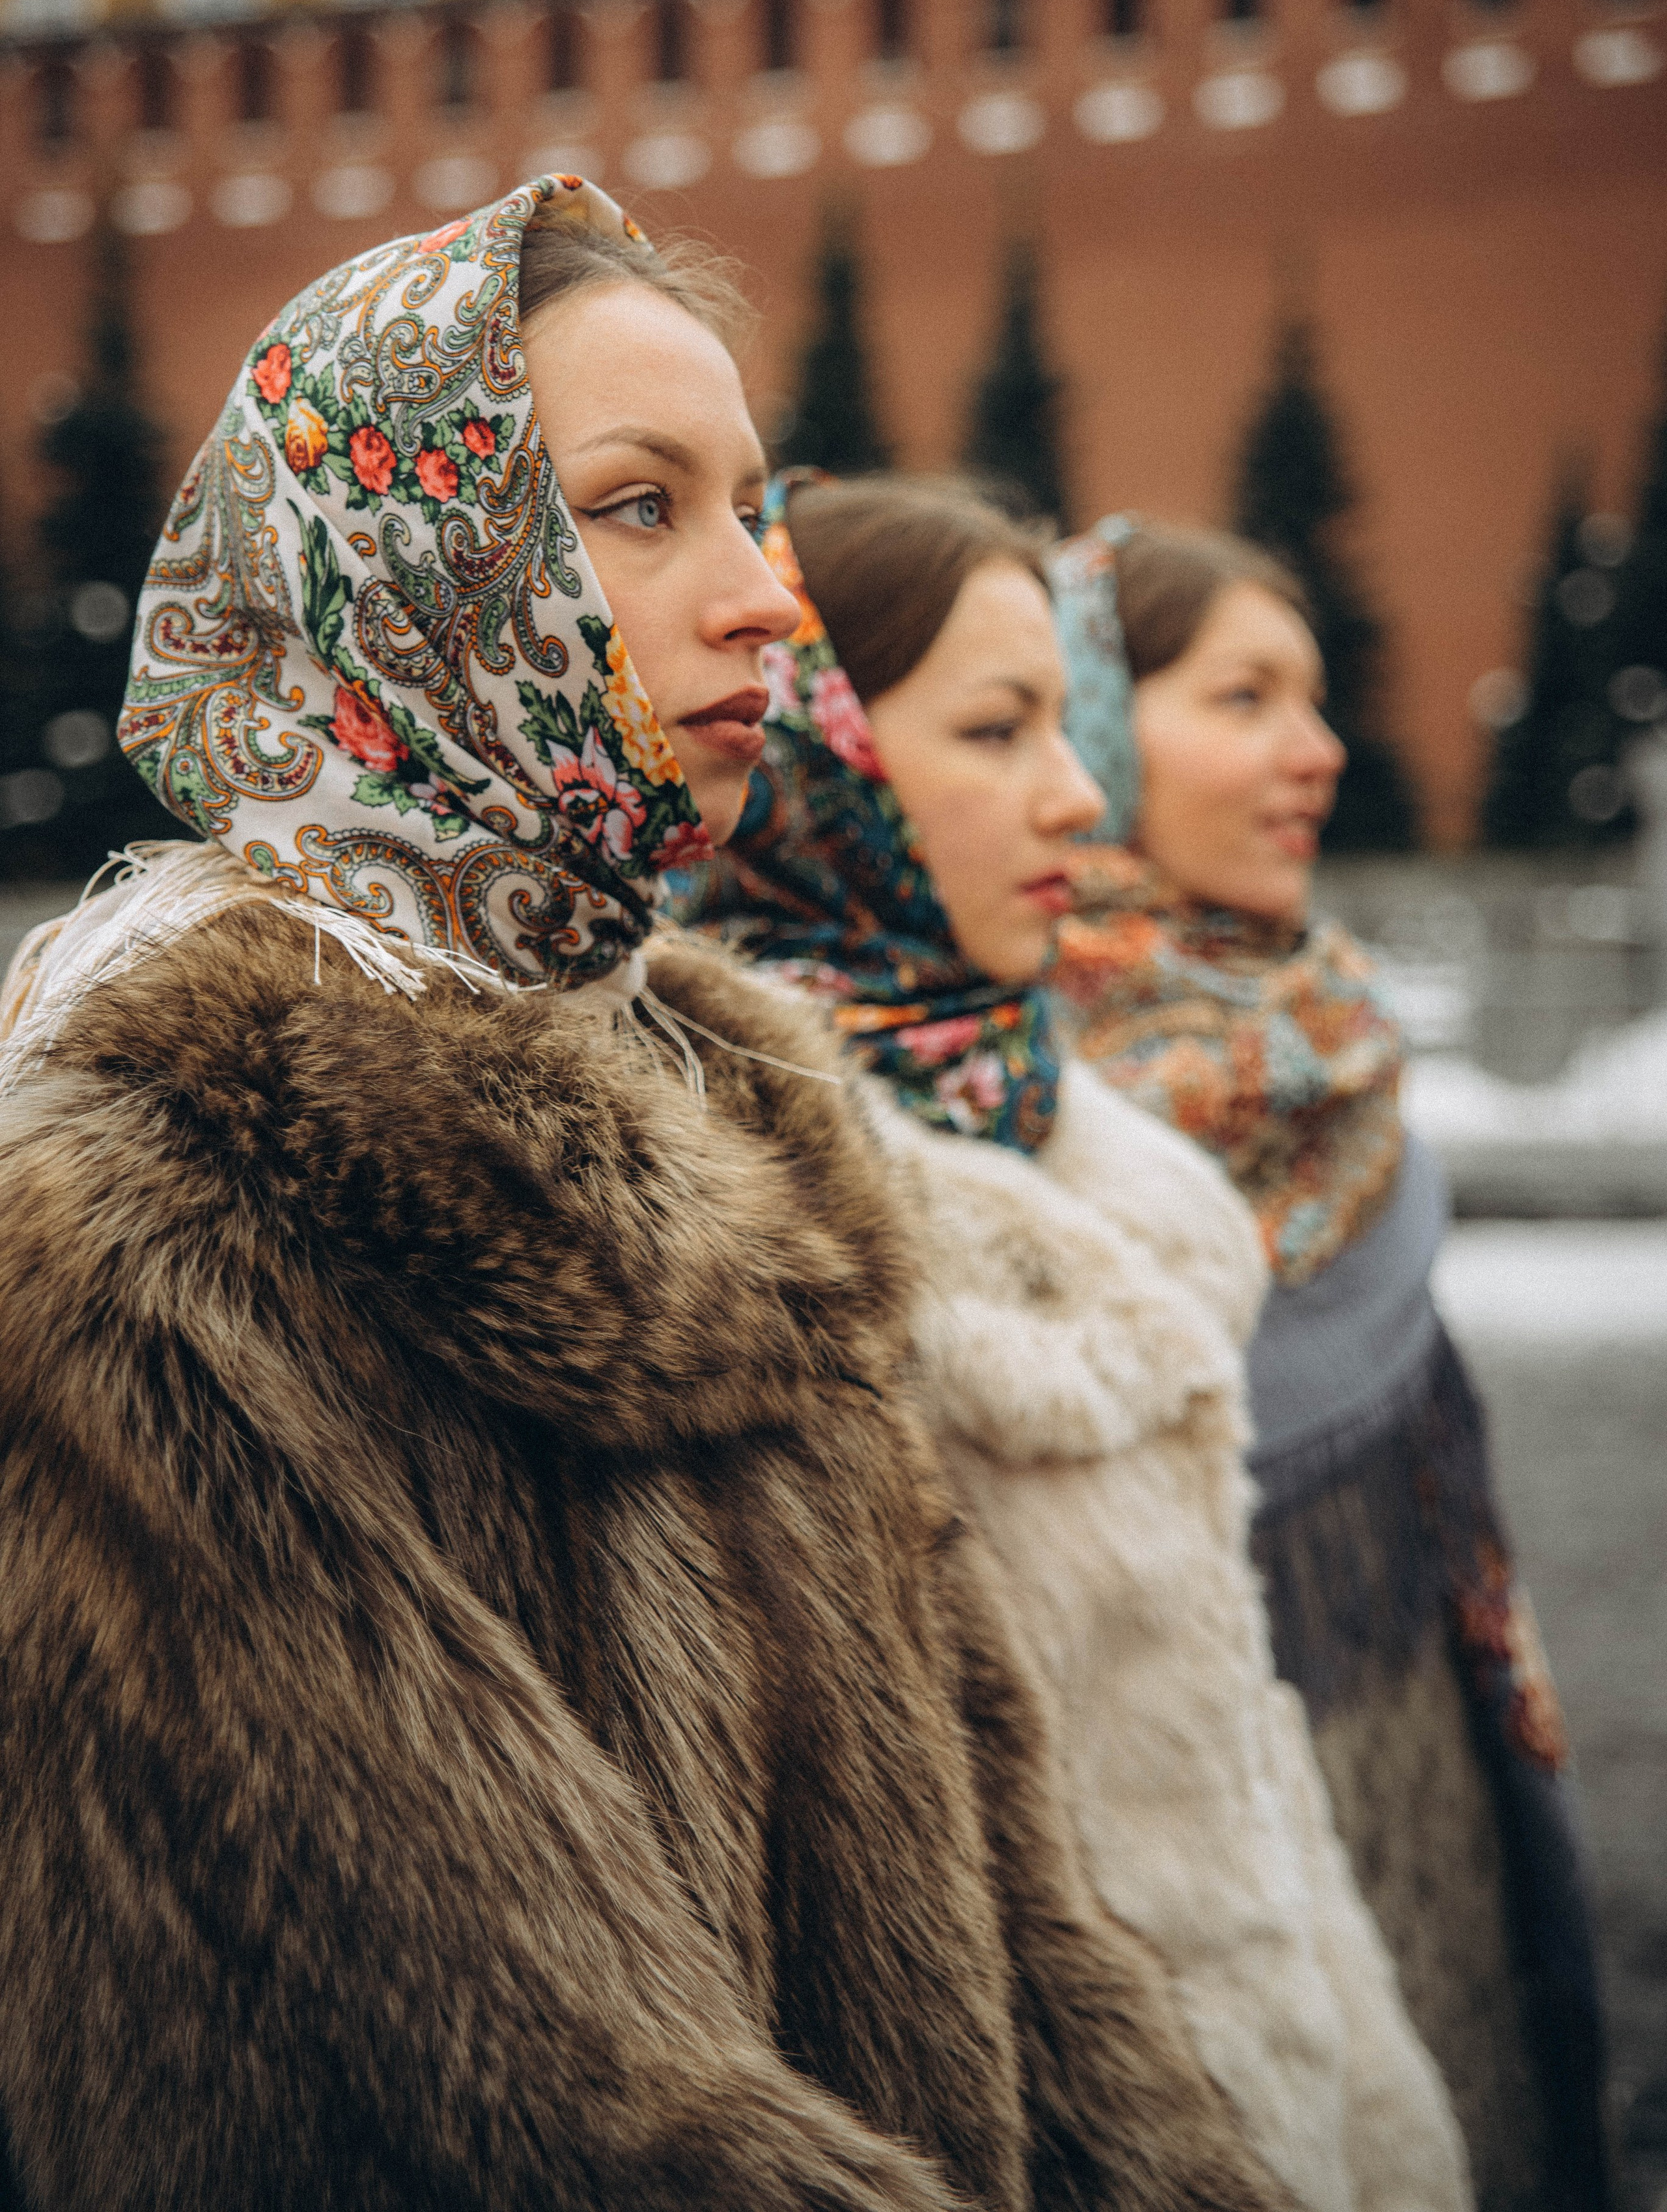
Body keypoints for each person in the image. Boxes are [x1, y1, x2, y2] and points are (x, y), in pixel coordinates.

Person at [0, 186, 1291, 2212]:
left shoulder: (746, 1112)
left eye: (752, 504)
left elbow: (1020, 1921)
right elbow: (560, 2092)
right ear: (416, 562)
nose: (767, 592)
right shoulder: (162, 1220)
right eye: (637, 505)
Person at [674, 468, 1472, 2212]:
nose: (1079, 794)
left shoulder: (1092, 1159)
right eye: (995, 730)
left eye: (1067, 719)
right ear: (814, 768)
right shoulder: (743, 1230)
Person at [1047, 515, 1611, 2212]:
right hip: (1172, 1874)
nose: (1320, 749)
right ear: (1087, 731)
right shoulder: (1007, 1126)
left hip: (1426, 1788)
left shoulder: (1344, 1063)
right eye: (1245, 697)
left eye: (1312, 697)